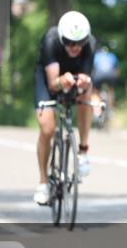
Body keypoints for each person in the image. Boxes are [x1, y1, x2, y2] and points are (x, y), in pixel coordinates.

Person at [33, 11, 96, 205]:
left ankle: (83, 150)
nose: (76, 47)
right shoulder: (51, 40)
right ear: (62, 39)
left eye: (80, 42)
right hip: (49, 80)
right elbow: (53, 84)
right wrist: (62, 80)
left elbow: (85, 77)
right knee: (48, 129)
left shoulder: (90, 45)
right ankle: (43, 182)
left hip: (73, 76)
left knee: (87, 94)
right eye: (70, 42)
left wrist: (83, 82)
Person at [92, 44, 120, 121]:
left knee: (95, 92)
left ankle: (96, 112)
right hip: (110, 75)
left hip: (98, 75)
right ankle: (111, 111)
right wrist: (115, 80)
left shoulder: (96, 56)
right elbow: (116, 70)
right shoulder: (112, 56)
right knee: (111, 91)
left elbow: (92, 69)